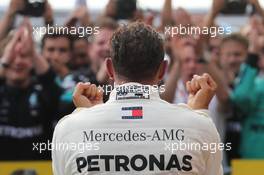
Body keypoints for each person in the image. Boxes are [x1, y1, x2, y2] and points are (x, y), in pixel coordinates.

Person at [52, 22, 222, 175]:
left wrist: (86, 117)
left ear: (110, 69)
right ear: (163, 70)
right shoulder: (200, 126)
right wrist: (199, 115)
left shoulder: (68, 129)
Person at [0, 20, 60, 160]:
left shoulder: (43, 91)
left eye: (24, 56)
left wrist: (32, 51)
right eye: (12, 56)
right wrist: (5, 60)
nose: (18, 61)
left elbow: (52, 85)